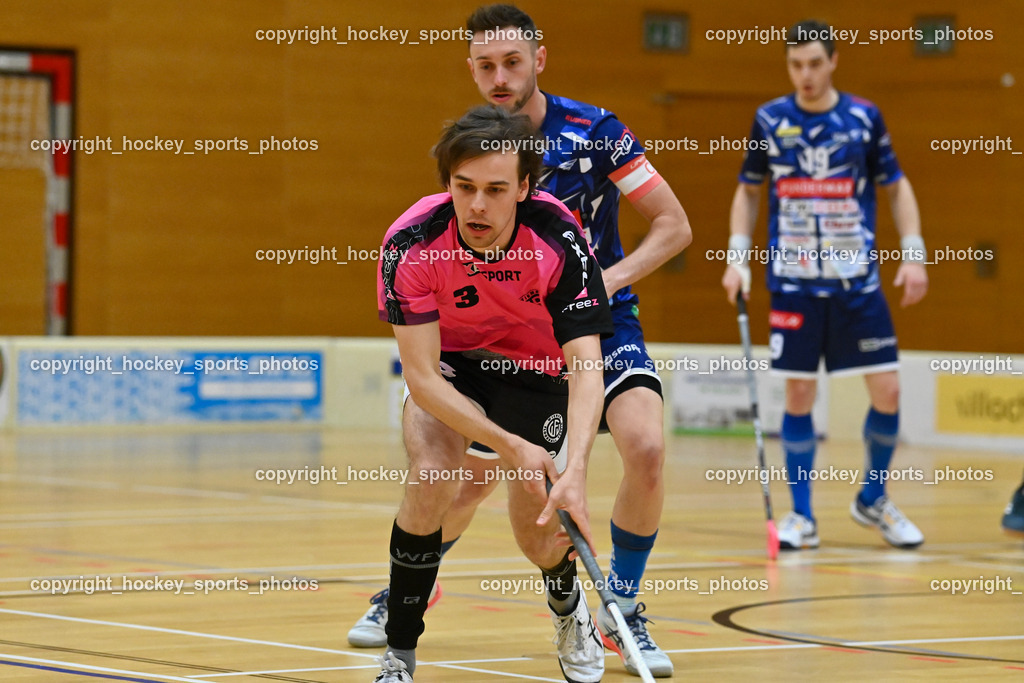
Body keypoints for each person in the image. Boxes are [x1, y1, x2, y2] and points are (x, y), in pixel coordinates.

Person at [352, 6, 691, 678]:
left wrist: (595, 285)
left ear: (541, 58)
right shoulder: (476, 148)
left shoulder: (596, 133)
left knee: (640, 450)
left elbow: (674, 226)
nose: (500, 77)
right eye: (485, 65)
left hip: (593, 323)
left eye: (512, 61)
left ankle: (617, 608)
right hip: (499, 337)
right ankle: (410, 592)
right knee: (460, 481)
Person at [372, 105, 613, 683]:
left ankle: (567, 607)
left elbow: (585, 364)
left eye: (496, 190)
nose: (478, 205)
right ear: (447, 184)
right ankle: (399, 653)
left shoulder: (558, 238)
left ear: (525, 188)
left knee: (537, 531)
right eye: (465, 187)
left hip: (538, 371)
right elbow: (423, 377)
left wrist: (573, 466)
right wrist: (508, 445)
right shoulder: (412, 241)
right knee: (433, 475)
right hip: (455, 368)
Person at [721, 19, 928, 551]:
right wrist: (738, 259)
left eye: (814, 63)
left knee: (888, 390)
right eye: (795, 65)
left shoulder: (863, 118)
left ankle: (873, 497)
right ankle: (803, 517)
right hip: (793, 283)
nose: (805, 75)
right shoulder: (770, 119)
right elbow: (747, 192)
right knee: (799, 394)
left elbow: (896, 185)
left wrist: (915, 255)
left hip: (856, 283)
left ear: (833, 61)